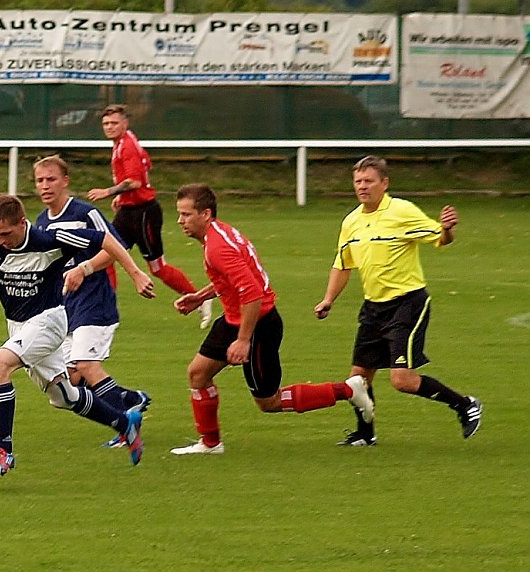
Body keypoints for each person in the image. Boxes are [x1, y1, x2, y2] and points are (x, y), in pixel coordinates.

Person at [0, 195, 155, 471]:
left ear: (22, 223)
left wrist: (136, 273)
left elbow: (104, 239)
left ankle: (3, 450)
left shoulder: (49, 239)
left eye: (6, 233)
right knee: (64, 396)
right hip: (18, 326)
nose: (0, 241)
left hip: (49, 321)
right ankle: (125, 423)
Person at [169, 183, 374, 455]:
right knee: (198, 373)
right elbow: (235, 280)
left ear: (205, 214)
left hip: (258, 324)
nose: (180, 221)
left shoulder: (218, 246)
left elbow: (252, 293)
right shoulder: (219, 236)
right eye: (180, 214)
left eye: (186, 214)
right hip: (235, 318)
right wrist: (200, 296)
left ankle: (348, 390)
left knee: (269, 402)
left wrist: (243, 340)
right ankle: (210, 443)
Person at [314, 155, 482, 446]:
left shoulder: (402, 211)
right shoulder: (352, 221)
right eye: (358, 181)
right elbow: (343, 264)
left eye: (369, 181)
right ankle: (366, 435)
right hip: (373, 307)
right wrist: (329, 299)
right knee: (358, 380)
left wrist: (447, 228)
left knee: (401, 380)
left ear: (384, 183)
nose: (362, 186)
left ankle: (465, 404)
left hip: (407, 303)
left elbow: (441, 238)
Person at [33, 155, 151, 449]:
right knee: (71, 381)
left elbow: (115, 247)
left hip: (95, 300)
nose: (45, 186)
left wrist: (85, 269)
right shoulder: (42, 222)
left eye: (51, 179)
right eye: (40, 181)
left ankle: (126, 425)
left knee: (86, 365)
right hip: (66, 307)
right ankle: (130, 399)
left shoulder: (85, 213)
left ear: (65, 182)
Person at [87, 103, 212, 329]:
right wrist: (123, 198)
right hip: (129, 211)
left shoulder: (127, 147)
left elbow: (134, 181)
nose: (109, 127)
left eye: (114, 123)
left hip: (144, 214)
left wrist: (109, 192)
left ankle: (198, 298)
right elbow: (142, 174)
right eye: (106, 123)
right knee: (105, 255)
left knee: (157, 268)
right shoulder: (123, 143)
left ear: (125, 123)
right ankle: (104, 309)